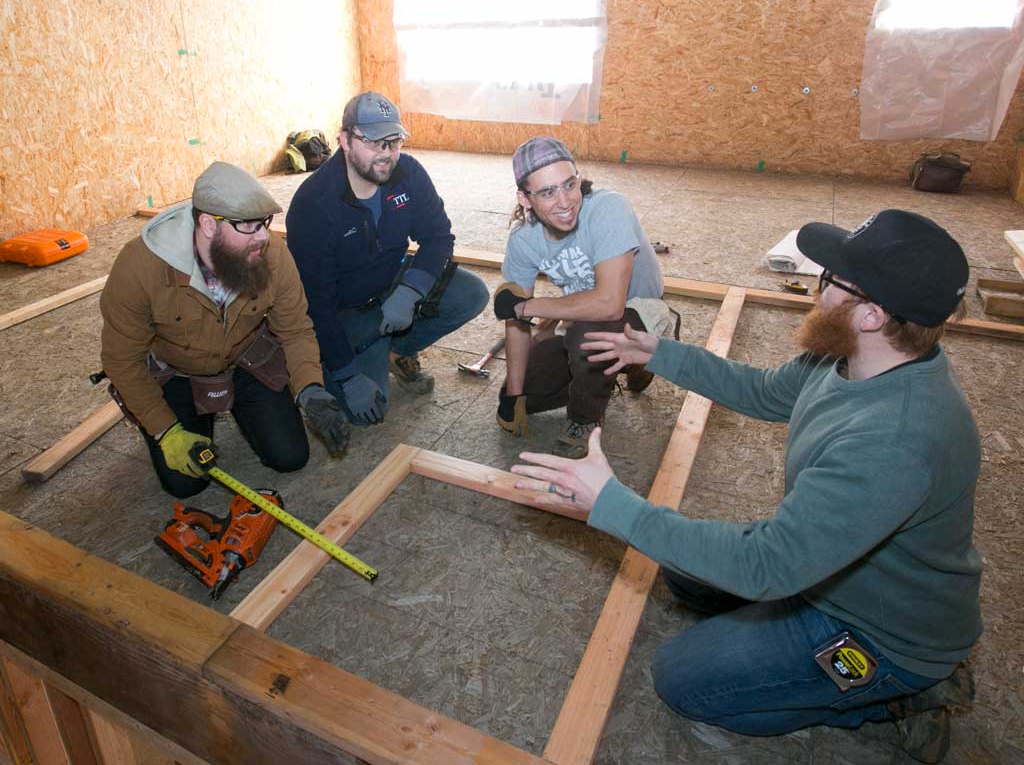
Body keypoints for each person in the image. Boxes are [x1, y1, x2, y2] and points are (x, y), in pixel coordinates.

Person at [510, 209, 981, 763]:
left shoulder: (896, 440)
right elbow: (763, 392)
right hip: (825, 569)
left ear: (873, 315)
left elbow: (767, 566)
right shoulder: (854, 358)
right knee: (684, 571)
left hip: (882, 629)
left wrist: (612, 504)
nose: (816, 286)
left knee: (683, 679)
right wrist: (656, 353)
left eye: (830, 280)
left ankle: (899, 696)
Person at [100, 162, 350, 499]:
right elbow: (122, 361)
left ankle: (242, 410)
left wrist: (310, 389)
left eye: (264, 223)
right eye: (247, 225)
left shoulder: (271, 255)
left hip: (247, 362)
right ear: (207, 224)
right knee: (187, 483)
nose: (263, 236)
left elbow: (296, 330)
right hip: (178, 373)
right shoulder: (139, 267)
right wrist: (166, 430)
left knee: (290, 457)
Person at [286, 91, 488, 426]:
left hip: (392, 283)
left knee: (471, 294)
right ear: (345, 141)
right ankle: (368, 347)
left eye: (394, 142)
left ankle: (398, 350)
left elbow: (438, 237)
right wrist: (349, 376)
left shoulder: (407, 173)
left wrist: (411, 290)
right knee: (365, 414)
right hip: (344, 312)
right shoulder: (314, 205)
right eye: (374, 142)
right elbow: (316, 304)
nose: (387, 154)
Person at [493, 136, 667, 456]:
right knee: (532, 388)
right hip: (587, 314)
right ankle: (607, 370)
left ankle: (585, 418)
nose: (564, 201)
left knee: (586, 333)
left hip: (638, 307)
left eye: (569, 184)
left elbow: (609, 304)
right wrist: (514, 394)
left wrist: (526, 306)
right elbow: (515, 322)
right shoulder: (523, 240)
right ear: (525, 198)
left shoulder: (607, 208)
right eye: (547, 192)